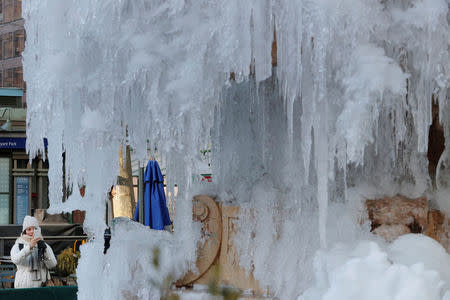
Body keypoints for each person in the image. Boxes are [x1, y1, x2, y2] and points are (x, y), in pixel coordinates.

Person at [10, 215, 57, 288]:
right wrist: (29, 248)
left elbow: (53, 264)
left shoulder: (44, 245)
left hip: (42, 286)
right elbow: (15, 260)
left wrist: (45, 251)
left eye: (35, 229)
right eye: (29, 229)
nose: (32, 232)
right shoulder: (18, 245)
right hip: (24, 286)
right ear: (24, 231)